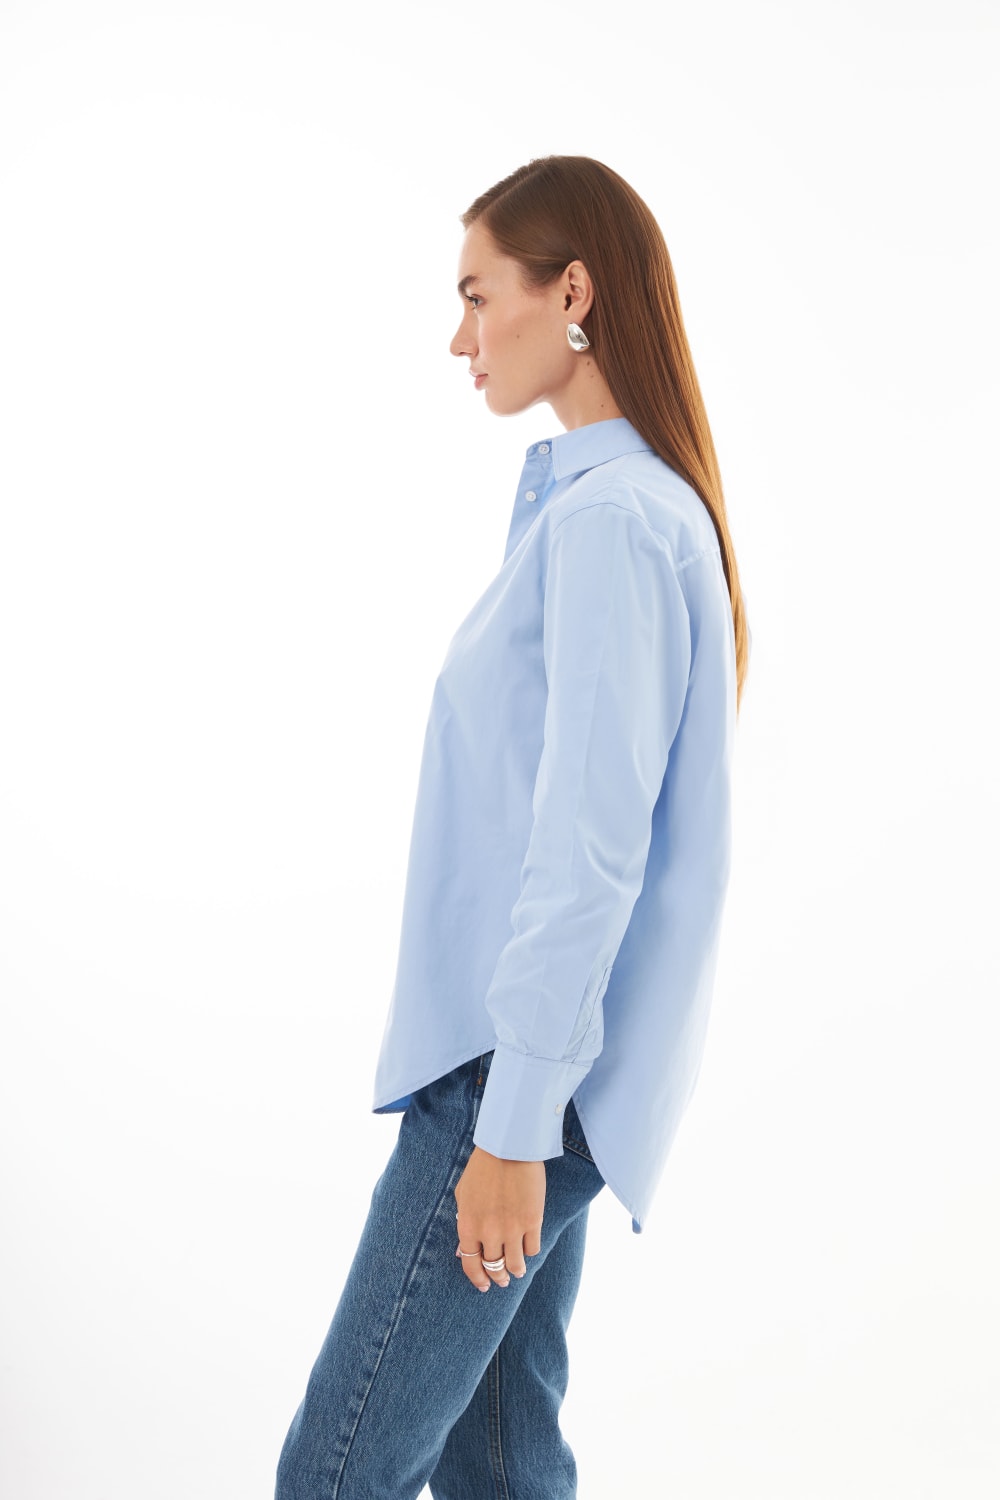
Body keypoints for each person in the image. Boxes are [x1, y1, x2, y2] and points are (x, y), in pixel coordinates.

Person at [275, 154, 748, 1500]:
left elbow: (591, 853)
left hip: (512, 1076)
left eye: (479, 295)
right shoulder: (616, 510)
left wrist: (513, 1126)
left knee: (335, 1475)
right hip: (535, 1074)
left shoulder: (613, 525)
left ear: (573, 293)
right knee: (498, 1465)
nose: (459, 336)